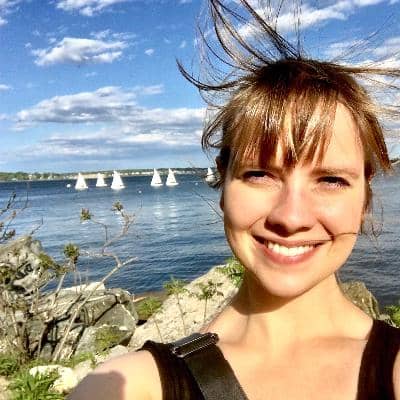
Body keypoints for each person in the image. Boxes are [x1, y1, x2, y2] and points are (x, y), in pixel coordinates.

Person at [69, 0, 400, 398]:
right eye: (259, 174)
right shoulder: (134, 385)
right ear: (223, 183)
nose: (291, 217)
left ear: (365, 198)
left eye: (330, 180)